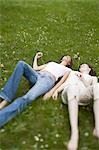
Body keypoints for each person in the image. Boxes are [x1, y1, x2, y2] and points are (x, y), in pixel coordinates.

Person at [0, 52, 72, 127]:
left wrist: (51, 92)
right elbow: (35, 68)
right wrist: (36, 57)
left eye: (68, 57)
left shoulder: (67, 70)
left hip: (47, 80)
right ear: (61, 58)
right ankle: (6, 99)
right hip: (37, 75)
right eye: (66, 56)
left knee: (27, 97)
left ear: (69, 63)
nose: (67, 56)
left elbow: (61, 81)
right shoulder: (51, 63)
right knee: (21, 64)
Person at [50, 63, 99, 150]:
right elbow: (67, 83)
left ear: (89, 69)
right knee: (73, 87)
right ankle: (74, 133)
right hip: (69, 93)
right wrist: (57, 90)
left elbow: (93, 90)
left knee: (97, 86)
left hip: (83, 96)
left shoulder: (93, 78)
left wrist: (83, 79)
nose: (81, 67)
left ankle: (97, 128)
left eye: (84, 65)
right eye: (80, 66)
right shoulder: (73, 73)